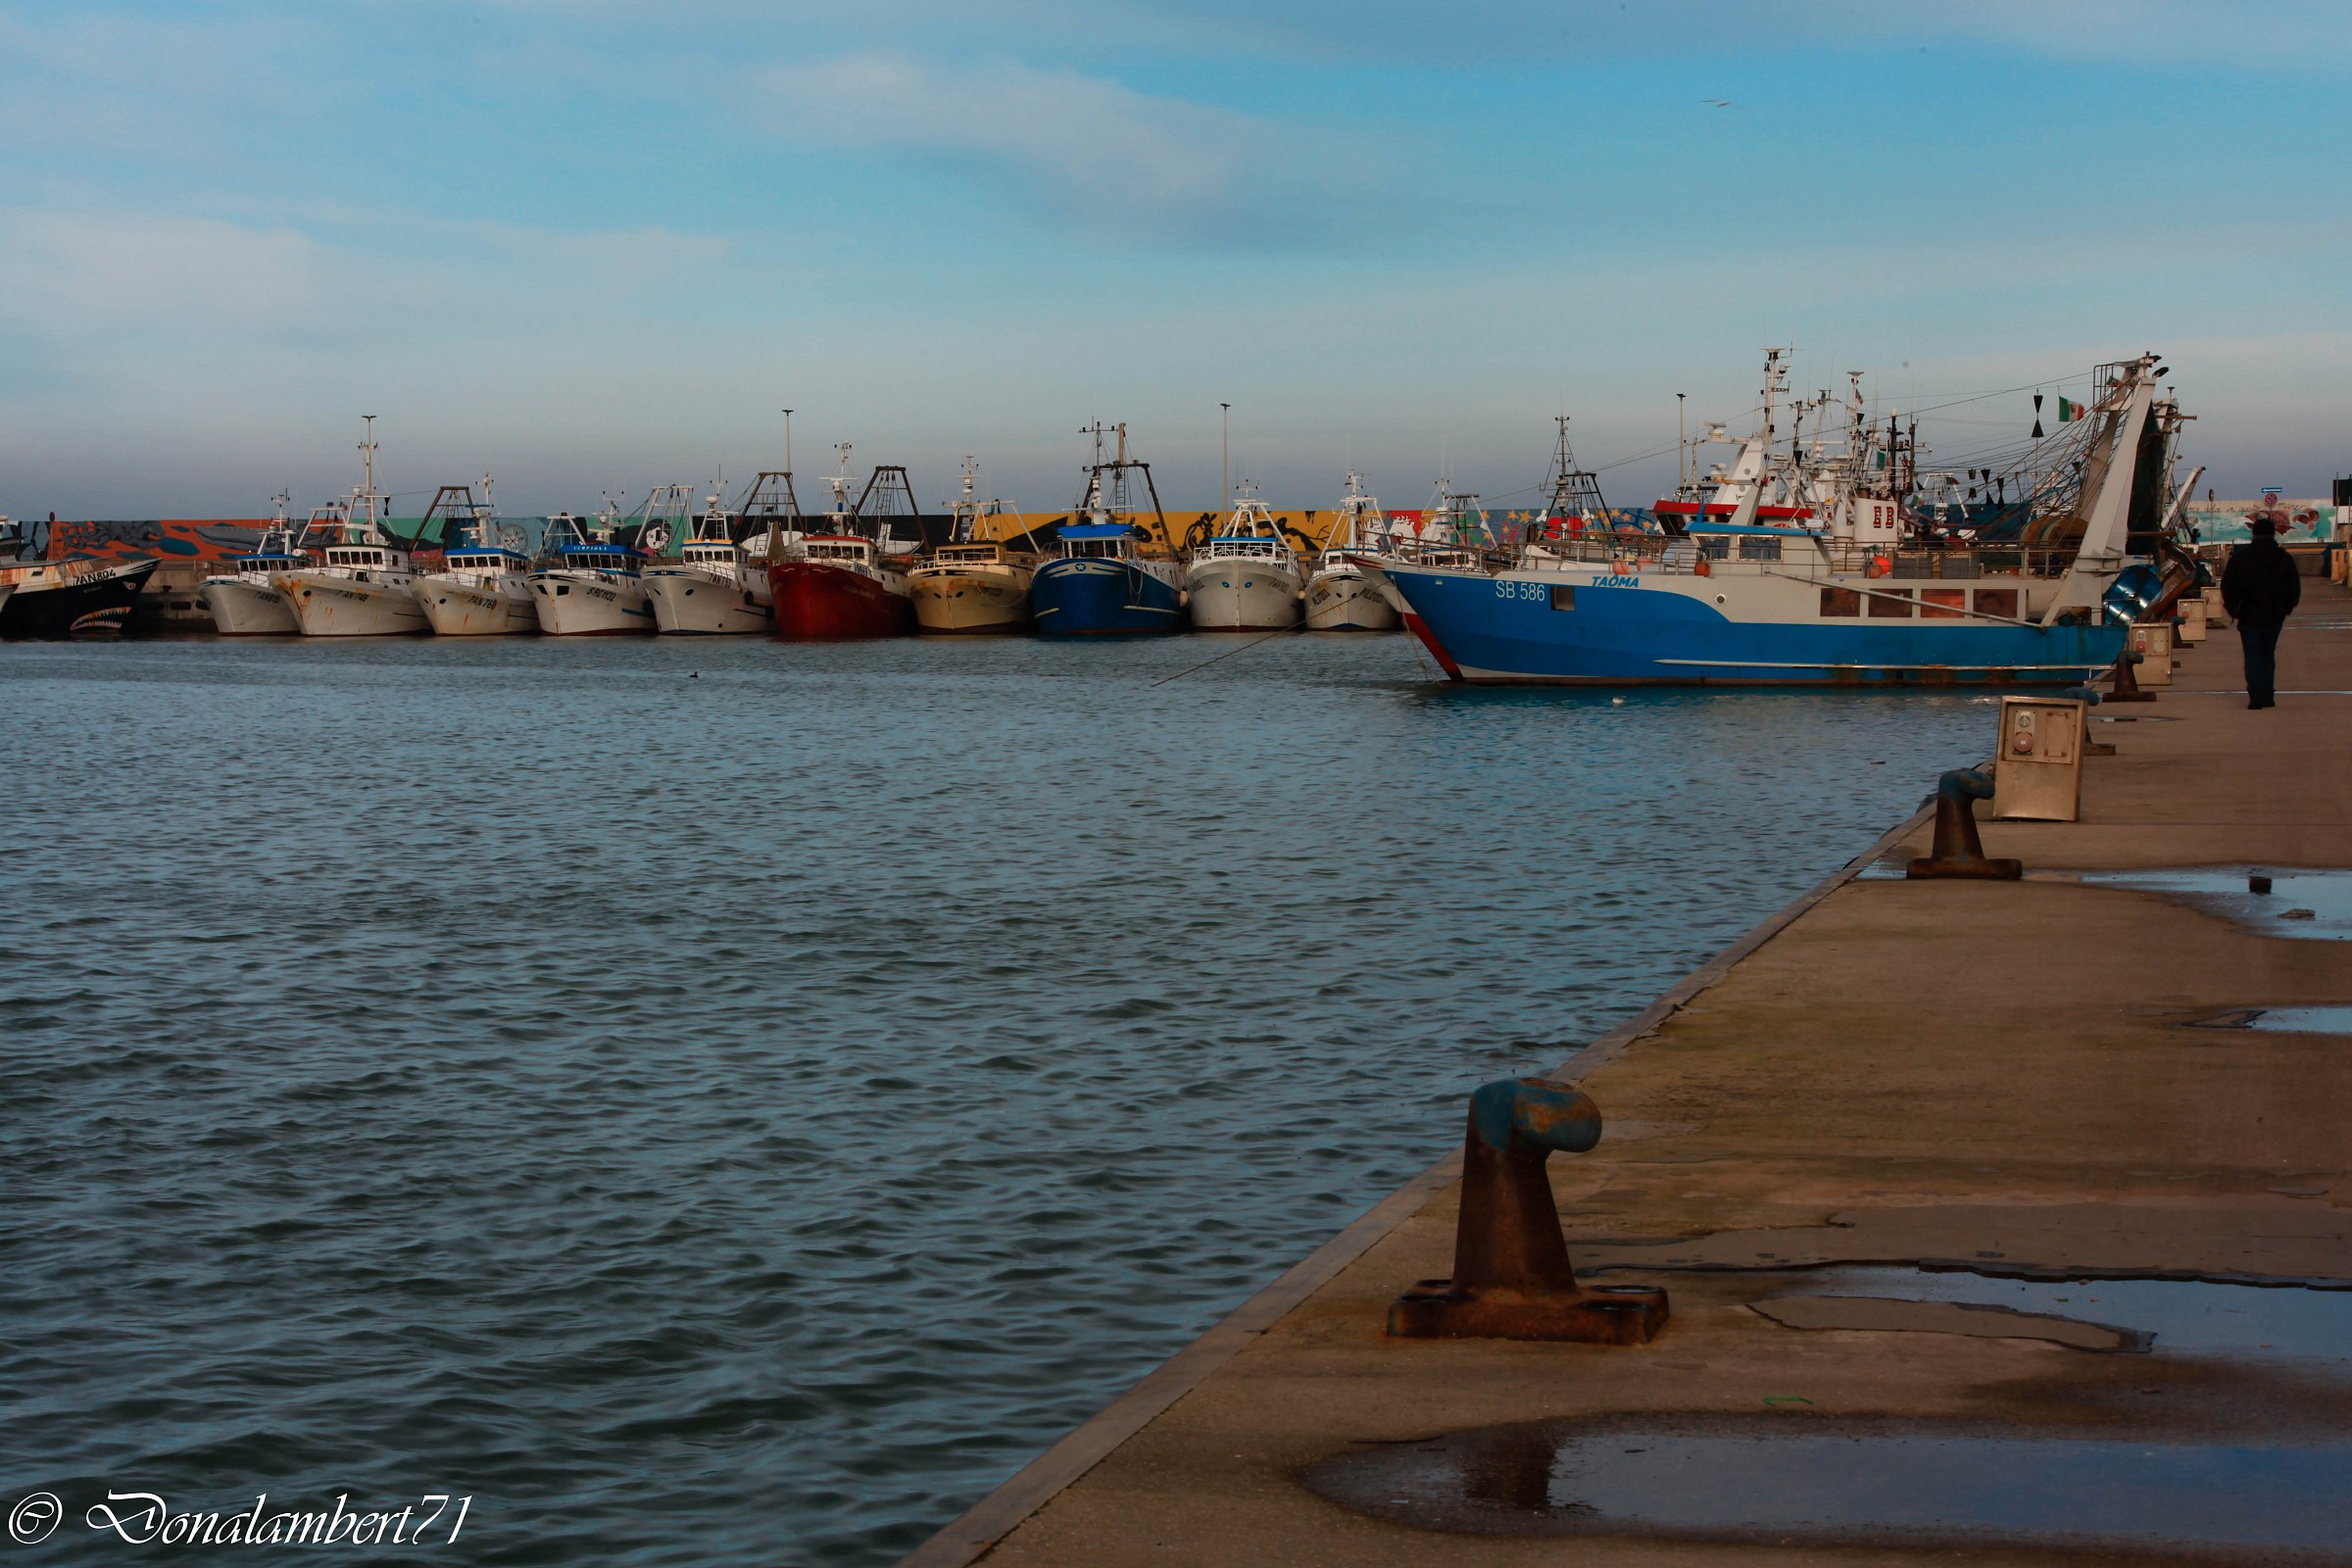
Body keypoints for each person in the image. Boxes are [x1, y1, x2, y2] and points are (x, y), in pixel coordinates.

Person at [2221, 511, 2302, 709]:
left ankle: (2256, 694)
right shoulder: (2283, 558)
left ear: (2253, 534)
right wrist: (2287, 607)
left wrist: (2234, 609)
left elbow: (2227, 586)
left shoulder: (2240, 558)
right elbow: (2294, 586)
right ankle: (2267, 694)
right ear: (2274, 534)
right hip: (2275, 615)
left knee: (2252, 655)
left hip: (2248, 614)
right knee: (2267, 654)